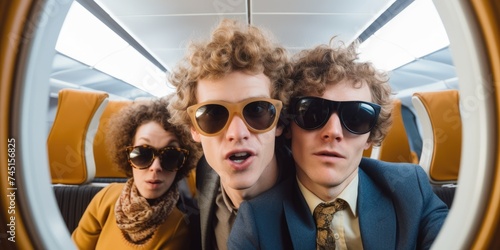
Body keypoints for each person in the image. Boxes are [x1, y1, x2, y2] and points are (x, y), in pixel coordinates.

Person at [228, 41, 449, 250]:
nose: (333, 132)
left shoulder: (410, 190)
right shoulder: (256, 221)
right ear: (288, 126)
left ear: (370, 136)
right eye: (312, 113)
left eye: (355, 117)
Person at [167, 19, 294, 250]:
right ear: (194, 129)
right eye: (213, 115)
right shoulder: (206, 172)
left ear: (279, 122)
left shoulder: (314, 199)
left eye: (257, 110)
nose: (237, 133)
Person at [72, 97, 202, 249]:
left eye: (171, 156)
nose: (155, 167)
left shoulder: (181, 226)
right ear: (128, 156)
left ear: (183, 162)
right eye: (142, 154)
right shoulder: (105, 199)